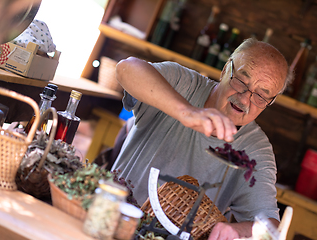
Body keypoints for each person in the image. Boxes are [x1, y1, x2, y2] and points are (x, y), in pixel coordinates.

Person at [110, 37, 294, 239]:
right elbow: (126, 68)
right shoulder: (182, 84)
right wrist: (186, 112)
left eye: (260, 96)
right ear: (225, 70)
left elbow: (271, 227)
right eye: (241, 80)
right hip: (108, 217)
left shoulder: (255, 152)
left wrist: (236, 230)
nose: (244, 98)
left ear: (271, 101)